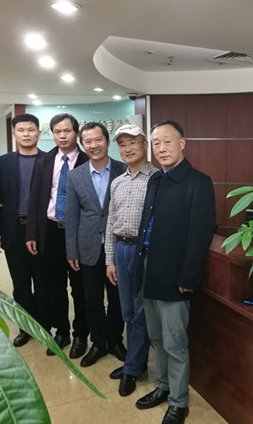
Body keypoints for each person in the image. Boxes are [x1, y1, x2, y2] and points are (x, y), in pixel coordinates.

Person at [134, 121, 215, 424]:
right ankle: (164, 387)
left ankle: (179, 402)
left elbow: (200, 234)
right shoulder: (155, 180)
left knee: (175, 342)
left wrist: (188, 276)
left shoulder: (198, 182)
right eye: (156, 143)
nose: (161, 148)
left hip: (174, 273)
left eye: (167, 142)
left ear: (182, 143)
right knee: (156, 337)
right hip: (148, 268)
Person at [26, 113, 89, 358]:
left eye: (67, 131)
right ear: (52, 134)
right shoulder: (44, 161)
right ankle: (62, 331)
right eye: (57, 132)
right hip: (50, 231)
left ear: (76, 133)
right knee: (54, 287)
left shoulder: (87, 160)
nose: (62, 136)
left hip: (77, 232)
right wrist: (32, 233)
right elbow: (35, 199)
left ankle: (81, 334)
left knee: (80, 288)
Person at [65, 122, 127, 367]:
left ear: (108, 141)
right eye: (88, 141)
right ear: (83, 145)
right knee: (91, 300)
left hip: (118, 247)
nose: (94, 145)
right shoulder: (75, 175)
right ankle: (99, 342)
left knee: (117, 299)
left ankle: (115, 340)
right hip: (87, 247)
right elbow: (71, 216)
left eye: (98, 140)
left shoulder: (124, 170)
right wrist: (71, 250)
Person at [104, 123, 158, 396]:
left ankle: (133, 367)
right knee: (127, 310)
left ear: (145, 145)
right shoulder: (117, 181)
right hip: (121, 249)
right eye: (122, 144)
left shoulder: (157, 179)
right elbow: (110, 222)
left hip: (143, 251)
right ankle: (136, 361)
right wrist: (109, 260)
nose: (127, 149)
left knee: (140, 312)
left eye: (132, 142)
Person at [0, 113, 47, 347]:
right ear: (14, 134)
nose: (26, 134)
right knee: (20, 284)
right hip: (13, 231)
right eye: (21, 130)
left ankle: (44, 326)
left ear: (38, 134)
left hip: (41, 232)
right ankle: (26, 327)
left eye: (31, 130)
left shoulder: (48, 160)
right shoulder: (3, 162)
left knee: (43, 282)